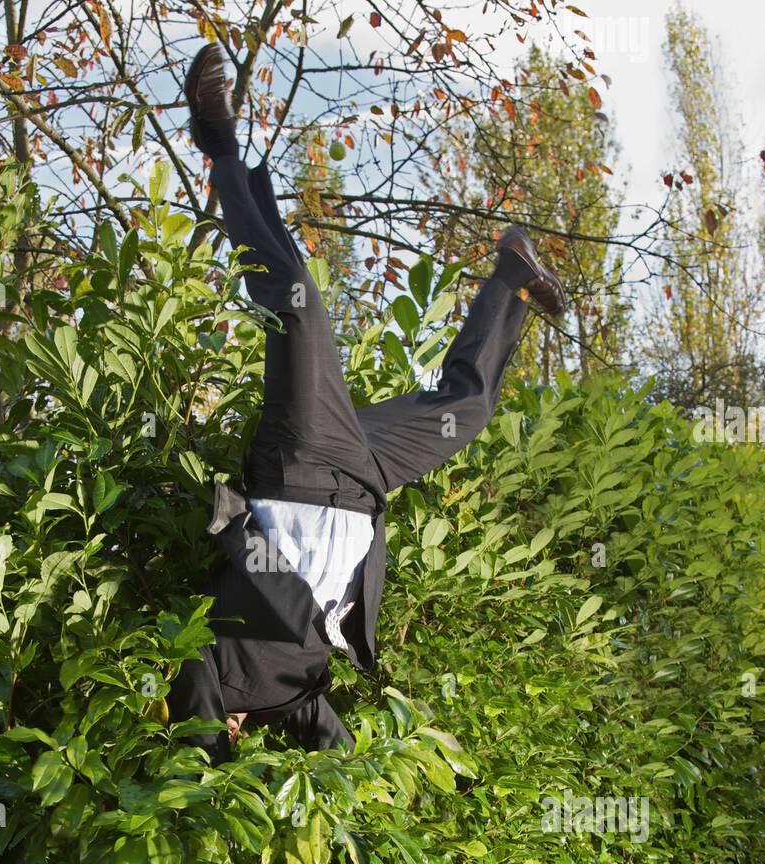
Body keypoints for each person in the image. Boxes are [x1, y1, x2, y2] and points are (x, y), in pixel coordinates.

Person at [168, 43, 566, 765]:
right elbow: (346, 761)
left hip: (301, 463)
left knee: (298, 303)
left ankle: (214, 141)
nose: (225, 731)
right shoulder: (293, 698)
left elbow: (195, 723)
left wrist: (210, 758)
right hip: (362, 477)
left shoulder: (209, 668)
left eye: (213, 735)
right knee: (466, 411)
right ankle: (511, 272)